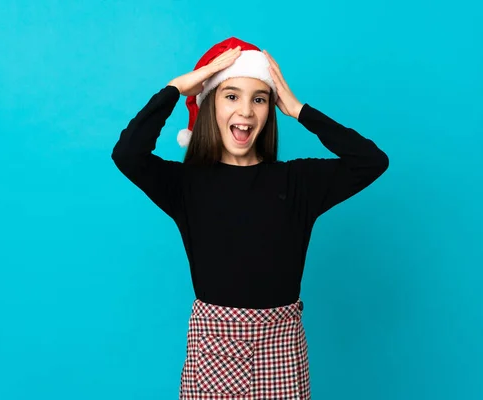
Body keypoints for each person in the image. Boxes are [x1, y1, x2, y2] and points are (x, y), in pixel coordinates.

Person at [111, 37, 389, 400]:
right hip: (213, 352)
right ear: (210, 104)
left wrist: (298, 108)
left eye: (259, 98)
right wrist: (178, 88)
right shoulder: (186, 184)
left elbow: (372, 161)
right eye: (230, 96)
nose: (245, 110)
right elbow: (128, 154)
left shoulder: (297, 182)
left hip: (283, 351)